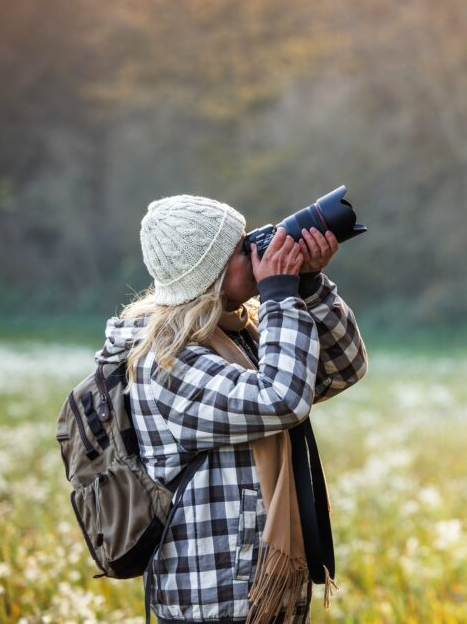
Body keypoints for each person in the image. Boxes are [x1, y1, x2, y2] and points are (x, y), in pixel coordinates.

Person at [97, 195, 368, 623]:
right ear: (212, 272)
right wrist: (280, 296)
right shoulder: (166, 360)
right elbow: (281, 399)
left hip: (256, 586)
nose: (259, 250)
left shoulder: (238, 333)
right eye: (244, 248)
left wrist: (309, 286)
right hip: (212, 593)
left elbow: (342, 370)